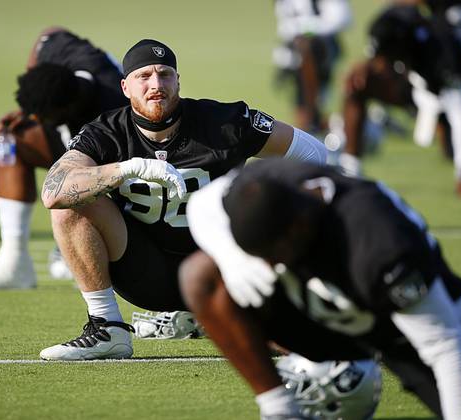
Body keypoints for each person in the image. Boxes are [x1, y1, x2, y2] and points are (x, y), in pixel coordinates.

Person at [38, 38, 328, 361]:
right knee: (70, 204)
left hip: (221, 268)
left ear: (178, 80)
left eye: (164, 74)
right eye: (143, 76)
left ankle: (252, 313)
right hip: (142, 269)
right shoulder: (106, 131)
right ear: (125, 86)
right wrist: (127, 169)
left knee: (288, 340)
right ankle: (108, 327)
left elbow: (314, 154)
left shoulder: (225, 122)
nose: (155, 85)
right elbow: (53, 191)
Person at [179, 158, 461, 419]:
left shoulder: (376, 242)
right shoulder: (267, 184)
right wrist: (233, 256)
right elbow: (203, 205)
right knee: (202, 277)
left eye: (271, 256)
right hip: (324, 309)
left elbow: (446, 346)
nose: (268, 266)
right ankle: (279, 409)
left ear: (299, 231)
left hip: (398, 328)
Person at [0, 28, 128, 292]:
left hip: (114, 162)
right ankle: (14, 263)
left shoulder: (113, 108)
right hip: (73, 131)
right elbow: (49, 34)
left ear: (65, 110)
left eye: (41, 116)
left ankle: (85, 240)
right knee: (11, 138)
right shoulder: (60, 52)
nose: (35, 120)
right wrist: (29, 107)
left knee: (89, 179)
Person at [334, 4, 461, 196]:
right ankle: (350, 167)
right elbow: (377, 60)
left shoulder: (440, 55)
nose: (381, 63)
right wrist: (365, 69)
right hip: (417, 86)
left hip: (458, 92)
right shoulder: (392, 24)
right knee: (357, 84)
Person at [272, 0, 352, 133]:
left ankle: (321, 124)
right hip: (293, 50)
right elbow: (284, 26)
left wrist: (304, 29)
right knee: (302, 106)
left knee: (313, 105)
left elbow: (341, 19)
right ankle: (313, 126)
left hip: (321, 49)